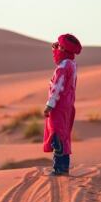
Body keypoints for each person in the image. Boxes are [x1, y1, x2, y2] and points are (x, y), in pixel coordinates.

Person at [43, 33, 82, 176]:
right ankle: (63, 167)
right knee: (63, 135)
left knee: (56, 135)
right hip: (68, 105)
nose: (56, 49)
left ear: (64, 50)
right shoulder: (72, 65)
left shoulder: (62, 68)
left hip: (59, 106)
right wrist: (56, 48)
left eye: (59, 46)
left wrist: (50, 105)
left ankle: (59, 168)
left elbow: (57, 87)